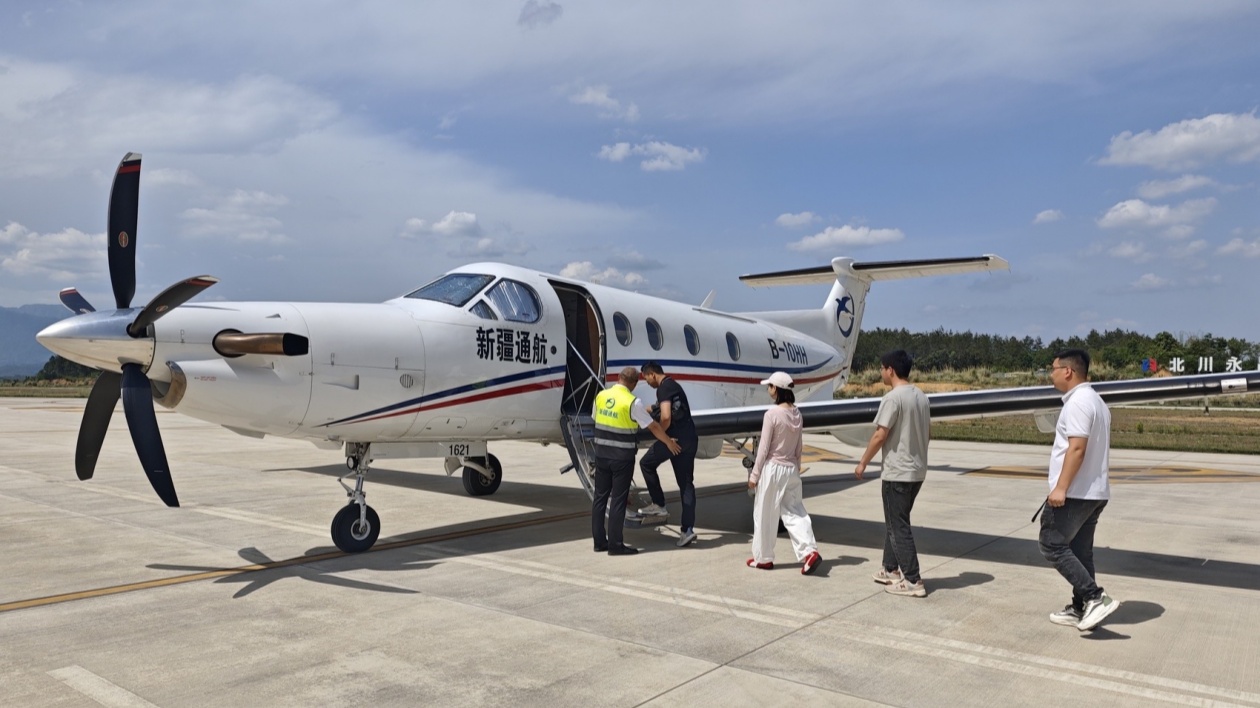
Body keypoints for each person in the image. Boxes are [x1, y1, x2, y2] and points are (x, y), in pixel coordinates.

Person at [1040, 348, 1119, 631]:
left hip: (1076, 493)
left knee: (1051, 543)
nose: (1051, 374)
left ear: (1068, 371)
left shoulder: (1077, 403)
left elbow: (1077, 448)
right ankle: (1081, 608)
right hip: (1095, 492)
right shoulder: (1097, 402)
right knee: (1081, 552)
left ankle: (1094, 597)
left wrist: (1060, 488)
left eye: (1053, 369)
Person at [855, 349, 930, 598]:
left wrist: (863, 462)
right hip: (917, 471)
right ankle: (890, 569)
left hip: (897, 472)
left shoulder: (893, 398)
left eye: (882, 368)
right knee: (895, 522)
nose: (880, 372)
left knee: (898, 526)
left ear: (891, 370)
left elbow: (880, 434)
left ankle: (912, 580)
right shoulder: (921, 396)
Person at [592, 367, 681, 556]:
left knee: (600, 497)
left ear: (618, 378)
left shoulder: (601, 396)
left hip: (601, 455)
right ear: (633, 384)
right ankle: (616, 545)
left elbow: (597, 419)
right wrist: (668, 442)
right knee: (618, 499)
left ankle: (599, 542)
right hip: (621, 458)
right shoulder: (633, 402)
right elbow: (654, 426)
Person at [747, 372, 822, 574]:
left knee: (764, 512)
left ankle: (764, 558)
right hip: (791, 469)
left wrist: (754, 476)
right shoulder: (797, 414)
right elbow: (799, 446)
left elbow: (763, 449)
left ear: (777, 389)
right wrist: (796, 468)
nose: (768, 389)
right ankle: (809, 551)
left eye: (770, 386)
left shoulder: (771, 415)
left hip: (773, 468)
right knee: (795, 511)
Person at [635, 361, 701, 547]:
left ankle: (659, 504)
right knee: (686, 485)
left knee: (646, 464)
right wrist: (641, 409)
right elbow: (658, 408)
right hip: (689, 440)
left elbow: (665, 417)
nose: (647, 382)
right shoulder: (674, 387)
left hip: (674, 441)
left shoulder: (663, 388)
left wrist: (663, 438)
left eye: (646, 378)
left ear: (652, 374)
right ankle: (687, 530)